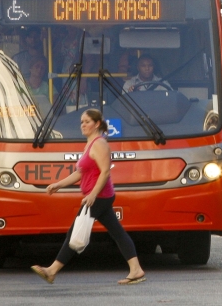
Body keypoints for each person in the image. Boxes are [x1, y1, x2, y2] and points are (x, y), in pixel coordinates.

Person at [30, 109, 146, 285]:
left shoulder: (99, 144)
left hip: (99, 196)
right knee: (117, 233)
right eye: (81, 122)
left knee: (74, 232)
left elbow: (105, 171)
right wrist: (58, 184)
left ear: (97, 124)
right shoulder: (90, 144)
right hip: (98, 196)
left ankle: (52, 270)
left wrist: (92, 195)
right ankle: (136, 269)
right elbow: (80, 173)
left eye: (87, 121)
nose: (82, 125)